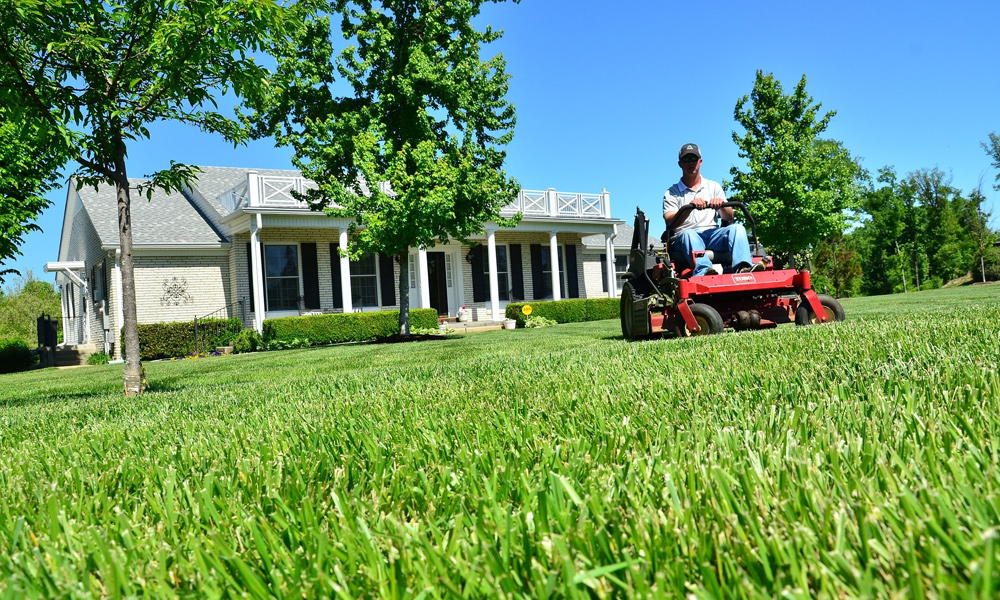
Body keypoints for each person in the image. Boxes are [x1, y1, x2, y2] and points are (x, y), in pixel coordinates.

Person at [662, 143, 763, 276]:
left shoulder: (713, 186)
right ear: (680, 163)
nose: (690, 163)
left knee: (737, 228)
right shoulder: (672, 192)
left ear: (700, 162)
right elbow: (670, 221)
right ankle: (704, 271)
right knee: (689, 234)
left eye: (694, 159)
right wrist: (689, 208)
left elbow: (729, 217)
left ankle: (743, 267)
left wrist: (722, 205)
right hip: (685, 239)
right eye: (686, 159)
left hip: (712, 235)